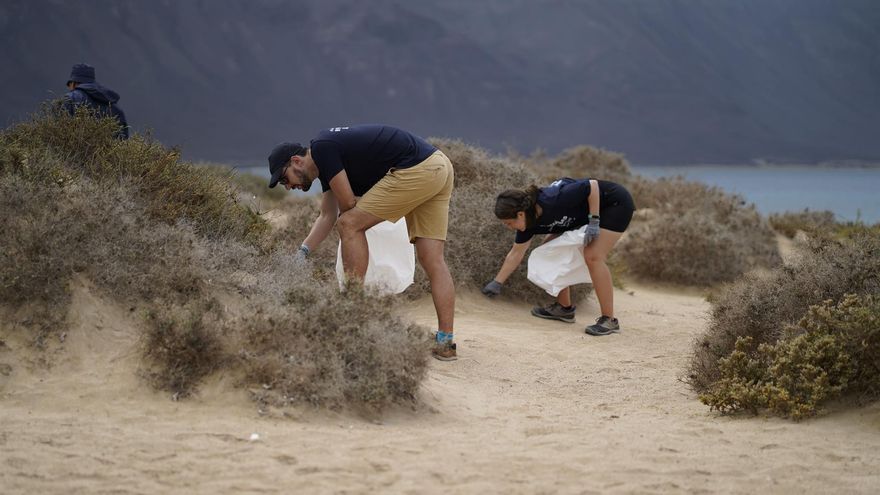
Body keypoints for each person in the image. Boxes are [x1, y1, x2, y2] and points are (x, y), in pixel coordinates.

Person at [267, 125, 458, 360]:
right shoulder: (328, 160)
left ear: (296, 161)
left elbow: (347, 206)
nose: (288, 186)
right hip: (439, 166)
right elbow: (326, 216)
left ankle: (353, 312)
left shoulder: (322, 147)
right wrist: (303, 252)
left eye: (284, 178)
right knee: (433, 259)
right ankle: (446, 342)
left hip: (419, 169)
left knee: (349, 223)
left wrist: (357, 221)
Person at [482, 177, 635, 336]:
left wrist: (594, 221)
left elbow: (592, 185)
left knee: (593, 256)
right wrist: (497, 282)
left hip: (614, 203)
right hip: (585, 213)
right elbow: (516, 253)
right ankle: (564, 309)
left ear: (520, 214)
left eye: (508, 223)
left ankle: (609, 319)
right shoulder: (527, 225)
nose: (509, 228)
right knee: (549, 252)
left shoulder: (554, 198)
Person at [63, 63, 129, 139]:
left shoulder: (71, 98)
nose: (69, 88)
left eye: (69, 84)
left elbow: (60, 131)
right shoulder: (114, 105)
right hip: (109, 150)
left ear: (74, 83)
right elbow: (123, 139)